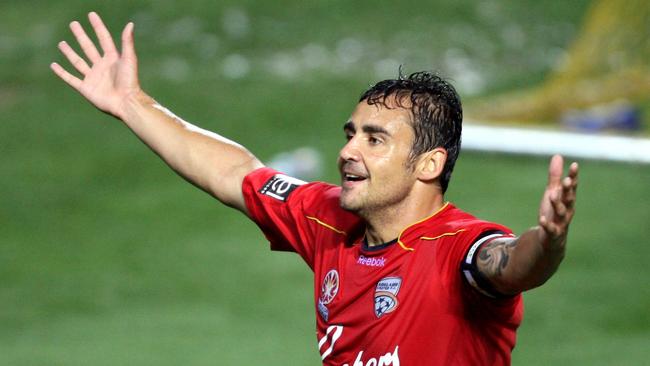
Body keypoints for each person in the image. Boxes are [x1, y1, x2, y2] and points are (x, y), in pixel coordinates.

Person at [51, 12, 579, 366]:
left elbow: (508, 263)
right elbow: (233, 172)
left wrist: (548, 242)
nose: (349, 151)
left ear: (428, 164)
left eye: (375, 140)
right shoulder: (327, 217)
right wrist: (132, 104)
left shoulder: (458, 248)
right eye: (351, 135)